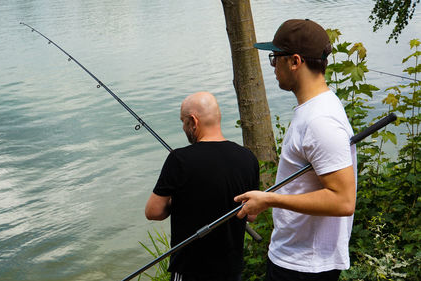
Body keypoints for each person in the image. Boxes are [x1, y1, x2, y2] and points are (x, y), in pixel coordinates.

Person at [234, 19, 357, 281]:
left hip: (305, 267)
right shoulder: (313, 110)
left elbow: (343, 200)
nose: (273, 66)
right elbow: (307, 184)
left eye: (275, 58)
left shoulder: (320, 120)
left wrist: (271, 199)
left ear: (295, 61)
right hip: (295, 258)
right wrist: (265, 200)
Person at [145, 91, 260, 281]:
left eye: (183, 121)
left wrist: (180, 201)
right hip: (231, 270)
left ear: (193, 121)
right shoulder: (247, 158)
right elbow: (252, 214)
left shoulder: (179, 159)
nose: (183, 127)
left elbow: (153, 211)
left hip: (190, 270)